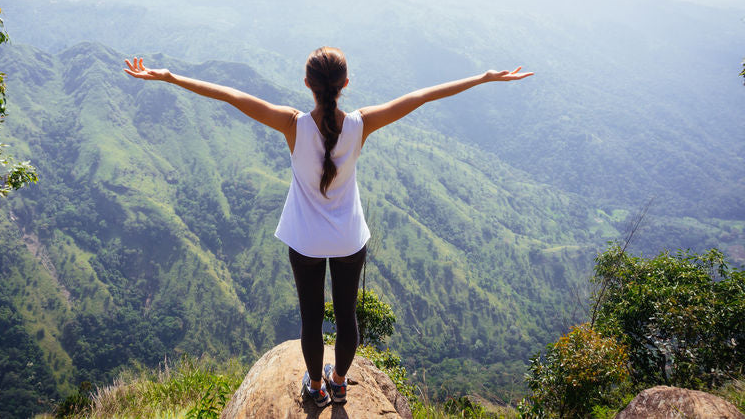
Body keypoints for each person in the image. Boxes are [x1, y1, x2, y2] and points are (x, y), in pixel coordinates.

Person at [124, 47, 533, 407]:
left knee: (311, 320)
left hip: (304, 241)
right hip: (348, 240)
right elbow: (421, 97)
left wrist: (168, 76)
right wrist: (483, 77)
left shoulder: (291, 124)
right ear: (345, 84)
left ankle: (315, 386)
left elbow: (230, 96)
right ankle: (339, 384)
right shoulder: (361, 124)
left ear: (307, 83)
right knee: (347, 316)